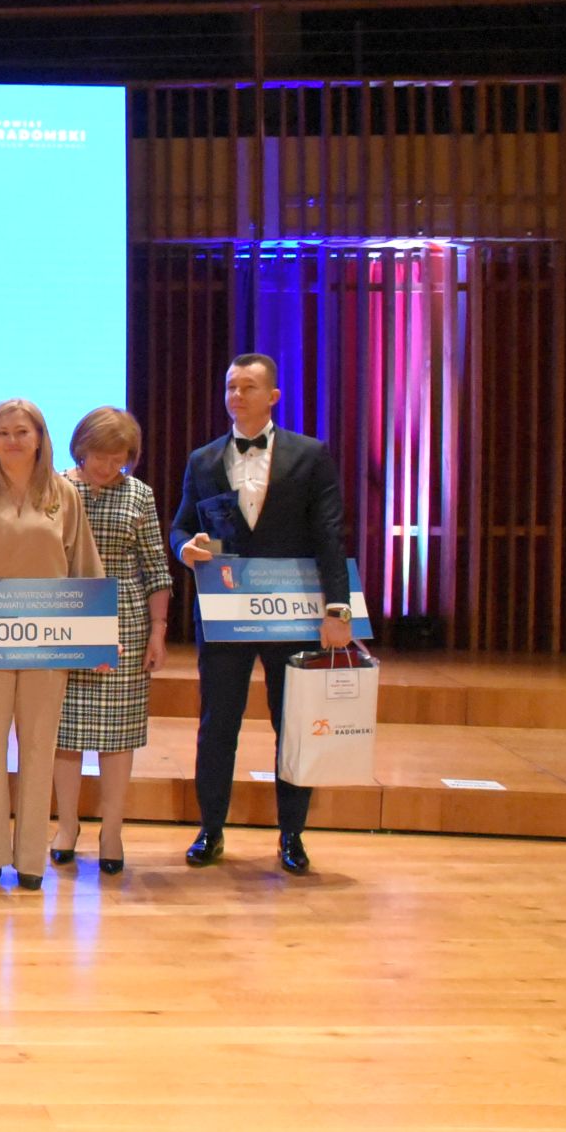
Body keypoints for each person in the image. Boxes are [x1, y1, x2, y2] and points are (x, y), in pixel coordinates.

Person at [170, 353, 352, 876]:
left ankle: (292, 834)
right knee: (217, 723)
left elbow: (329, 535)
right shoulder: (203, 459)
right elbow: (180, 527)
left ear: (273, 396)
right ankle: (210, 829)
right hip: (226, 611)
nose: (237, 396)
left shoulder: (310, 454)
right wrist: (186, 549)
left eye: (248, 387)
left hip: (293, 612)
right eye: (231, 386)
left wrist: (337, 608)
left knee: (291, 724)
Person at [0, 399, 104, 889]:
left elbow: (84, 565)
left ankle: (31, 860)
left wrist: (97, 638)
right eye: (3, 432)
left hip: (48, 637)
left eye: (22, 432)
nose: (12, 440)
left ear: (39, 438)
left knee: (38, 747)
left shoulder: (63, 493)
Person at [53, 407, 173, 875]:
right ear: (80, 448)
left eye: (117, 458)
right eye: (99, 455)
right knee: (63, 731)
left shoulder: (139, 494)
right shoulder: (55, 489)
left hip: (125, 622)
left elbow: (156, 568)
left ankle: (112, 832)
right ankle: (66, 826)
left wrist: (158, 631)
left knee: (118, 734)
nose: (107, 466)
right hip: (64, 618)